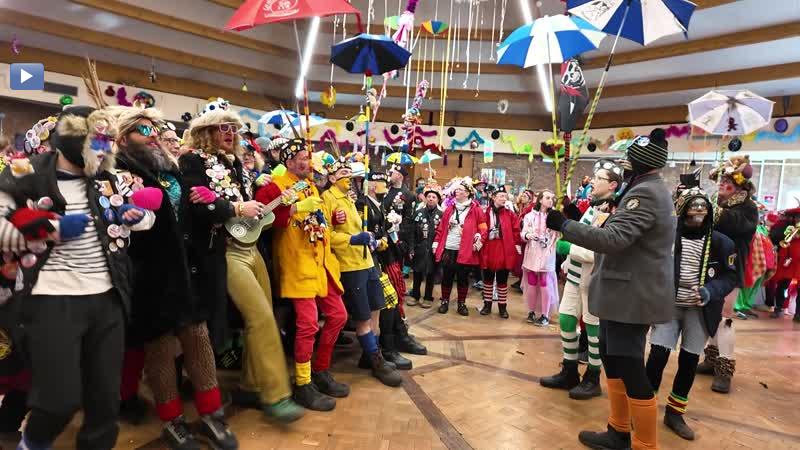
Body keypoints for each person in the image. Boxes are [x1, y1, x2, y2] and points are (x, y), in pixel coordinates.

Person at [1, 105, 155, 450]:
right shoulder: (25, 174)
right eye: (98, 140)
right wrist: (50, 229)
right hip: (50, 298)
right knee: (57, 401)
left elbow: (147, 220)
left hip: (108, 297)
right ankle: (32, 444)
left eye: (108, 140)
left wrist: (135, 216)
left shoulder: (108, 178)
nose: (106, 148)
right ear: (74, 138)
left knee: (105, 402)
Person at [545, 129, 676, 450]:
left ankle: (645, 444)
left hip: (632, 297)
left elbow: (614, 240)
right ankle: (618, 432)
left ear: (641, 163)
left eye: (629, 159)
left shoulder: (645, 193)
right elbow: (618, 229)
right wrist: (576, 218)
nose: (624, 163)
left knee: (630, 367)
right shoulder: (642, 188)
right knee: (613, 361)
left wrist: (564, 226)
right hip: (622, 294)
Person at [255, 138, 349, 412]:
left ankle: (320, 370)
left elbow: (317, 219)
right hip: (297, 264)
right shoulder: (274, 186)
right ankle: (303, 383)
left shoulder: (310, 185)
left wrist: (332, 220)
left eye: (309, 158)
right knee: (308, 325)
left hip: (321, 263)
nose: (309, 162)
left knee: (339, 316)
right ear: (289, 161)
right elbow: (261, 217)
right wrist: (296, 207)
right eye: (304, 158)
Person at [645, 184, 738, 441]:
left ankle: (675, 413)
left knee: (688, 362)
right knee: (657, 356)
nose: (697, 211)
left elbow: (731, 277)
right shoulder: (667, 236)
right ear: (681, 209)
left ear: (709, 211)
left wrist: (710, 290)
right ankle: (644, 408)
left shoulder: (722, 243)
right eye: (692, 206)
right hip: (669, 307)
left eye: (702, 207)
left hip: (699, 311)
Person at [540, 160, 623, 400]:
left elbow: (601, 250)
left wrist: (569, 249)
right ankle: (569, 371)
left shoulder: (614, 212)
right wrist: (568, 260)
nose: (592, 181)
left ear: (612, 185)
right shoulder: (594, 206)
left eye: (598, 178)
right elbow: (583, 236)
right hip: (575, 276)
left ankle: (593, 377)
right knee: (567, 319)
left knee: (593, 328)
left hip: (593, 280)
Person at [321, 156, 403, 387]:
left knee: (376, 309)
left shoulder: (350, 199)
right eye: (343, 173)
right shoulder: (327, 199)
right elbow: (326, 234)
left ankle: (370, 354)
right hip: (349, 265)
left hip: (367, 262)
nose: (348, 177)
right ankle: (376, 361)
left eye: (350, 173)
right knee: (363, 317)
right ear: (331, 178)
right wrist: (352, 239)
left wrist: (369, 238)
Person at [696, 155, 759, 393]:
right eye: (721, 181)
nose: (722, 185)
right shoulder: (719, 204)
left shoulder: (748, 208)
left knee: (725, 317)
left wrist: (711, 210)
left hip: (732, 268)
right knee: (709, 314)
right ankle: (711, 359)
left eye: (727, 182)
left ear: (740, 186)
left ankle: (725, 369)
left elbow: (736, 225)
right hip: (712, 266)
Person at [357, 171, 413, 369]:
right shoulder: (363, 204)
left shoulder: (377, 204)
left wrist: (390, 229)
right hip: (366, 261)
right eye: (382, 182)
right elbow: (364, 233)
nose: (386, 185)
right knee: (385, 302)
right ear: (372, 185)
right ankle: (380, 351)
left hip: (380, 258)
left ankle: (385, 346)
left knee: (389, 301)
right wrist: (379, 240)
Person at [382, 164, 426, 355]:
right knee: (391, 290)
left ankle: (398, 331)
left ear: (400, 175)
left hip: (396, 246)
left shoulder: (408, 195)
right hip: (381, 247)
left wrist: (405, 243)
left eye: (391, 172)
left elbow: (409, 221)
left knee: (397, 288)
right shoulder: (383, 193)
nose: (388, 175)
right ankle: (393, 334)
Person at [433, 177, 487, 316]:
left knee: (463, 278)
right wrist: (436, 243)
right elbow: (440, 228)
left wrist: (478, 239)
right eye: (456, 189)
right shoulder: (449, 209)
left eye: (460, 190)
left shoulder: (476, 210)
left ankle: (461, 303)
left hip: (465, 250)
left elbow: (483, 228)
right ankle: (444, 301)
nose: (457, 191)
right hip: (449, 247)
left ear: (468, 193)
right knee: (447, 277)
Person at [479, 186, 521, 319]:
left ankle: (502, 307)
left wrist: (516, 245)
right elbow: (480, 228)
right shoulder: (485, 212)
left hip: (504, 249)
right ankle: (487, 305)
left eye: (505, 196)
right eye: (501, 196)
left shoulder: (510, 214)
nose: (504, 199)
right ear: (493, 197)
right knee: (488, 278)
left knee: (503, 279)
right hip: (488, 248)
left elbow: (516, 231)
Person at [521, 190, 559, 326]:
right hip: (532, 251)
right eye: (547, 197)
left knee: (545, 281)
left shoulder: (555, 217)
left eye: (552, 198)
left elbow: (557, 235)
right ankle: (531, 311)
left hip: (547, 253)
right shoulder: (530, 216)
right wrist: (528, 235)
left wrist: (550, 241)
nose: (550, 200)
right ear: (540, 200)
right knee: (531, 281)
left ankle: (545, 315)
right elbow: (523, 233)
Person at [409, 182, 443, 309]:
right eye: (429, 196)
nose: (431, 199)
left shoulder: (441, 215)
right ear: (425, 198)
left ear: (438, 200)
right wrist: (411, 248)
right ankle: (415, 295)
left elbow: (442, 234)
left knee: (431, 274)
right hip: (420, 248)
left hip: (433, 250)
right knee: (417, 273)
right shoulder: (418, 213)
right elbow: (412, 232)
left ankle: (428, 297)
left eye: (434, 197)